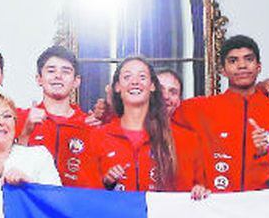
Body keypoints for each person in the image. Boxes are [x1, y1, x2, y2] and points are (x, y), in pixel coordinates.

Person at [174, 35, 269, 192]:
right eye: (233, 61)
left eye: (248, 59)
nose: (242, 65)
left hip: (265, 208)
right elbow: (158, 122)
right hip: (216, 207)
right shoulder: (197, 109)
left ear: (259, 67)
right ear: (222, 70)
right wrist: (195, 183)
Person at [87, 57, 207, 197]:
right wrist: (106, 183)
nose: (135, 82)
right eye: (127, 76)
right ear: (117, 86)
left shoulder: (186, 140)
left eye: (142, 77)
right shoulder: (97, 137)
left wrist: (200, 191)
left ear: (152, 86)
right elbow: (86, 199)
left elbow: (196, 192)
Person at [16, 45, 97, 186]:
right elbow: (5, 165)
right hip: (33, 206)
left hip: (75, 206)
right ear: (39, 79)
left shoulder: (90, 124)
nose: (58, 76)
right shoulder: (19, 119)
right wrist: (25, 133)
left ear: (76, 81)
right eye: (51, 70)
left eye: (65, 71)